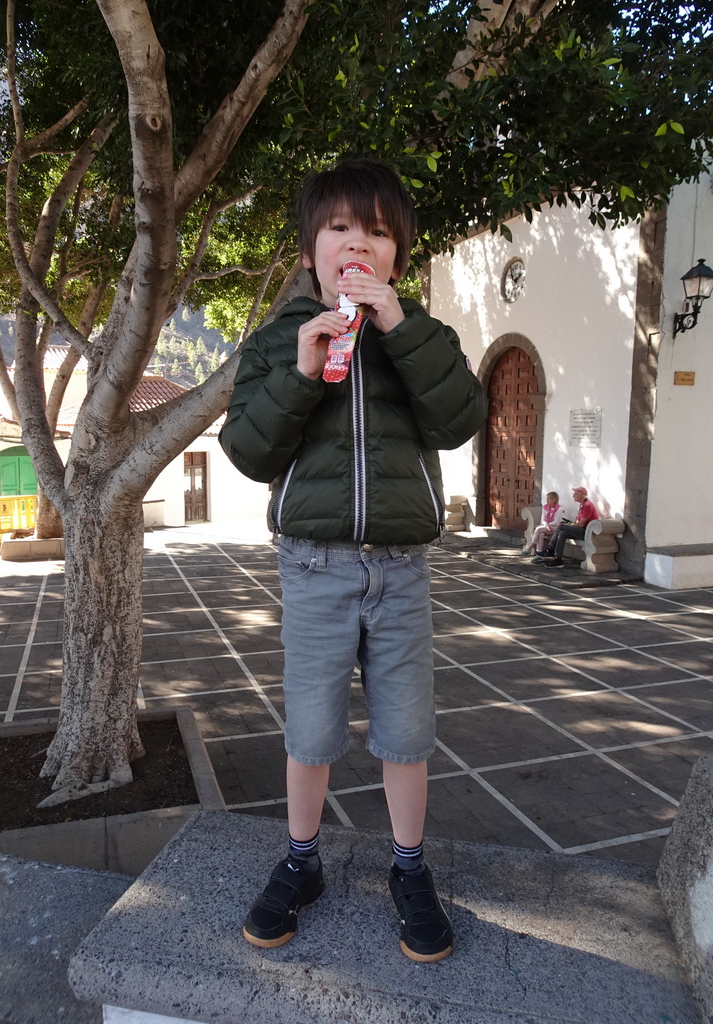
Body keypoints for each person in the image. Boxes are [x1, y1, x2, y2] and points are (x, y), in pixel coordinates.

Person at [219, 158, 488, 963]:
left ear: (397, 255)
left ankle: (409, 868)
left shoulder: (423, 335)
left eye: (377, 230)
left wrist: (401, 330)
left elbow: (460, 419)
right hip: (313, 568)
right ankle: (302, 862)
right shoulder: (276, 341)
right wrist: (300, 373)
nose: (358, 241)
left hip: (402, 568)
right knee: (311, 728)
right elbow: (247, 451)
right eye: (340, 226)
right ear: (311, 249)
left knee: (407, 732)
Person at [531, 486, 599, 567]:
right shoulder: (583, 505)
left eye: (576, 494)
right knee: (562, 533)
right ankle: (558, 559)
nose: (573, 496)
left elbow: (581, 524)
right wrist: (571, 524)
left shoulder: (587, 505)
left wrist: (573, 525)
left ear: (582, 495)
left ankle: (550, 550)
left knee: (561, 526)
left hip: (585, 532)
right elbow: (579, 522)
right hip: (581, 529)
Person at [522, 491, 563, 555]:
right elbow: (543, 520)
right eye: (547, 499)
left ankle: (529, 547)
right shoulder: (545, 507)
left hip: (555, 528)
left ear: (554, 499)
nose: (547, 500)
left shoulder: (559, 509)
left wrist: (547, 525)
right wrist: (546, 525)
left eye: (549, 499)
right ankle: (539, 552)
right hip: (546, 527)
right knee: (541, 534)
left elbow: (556, 522)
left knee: (538, 529)